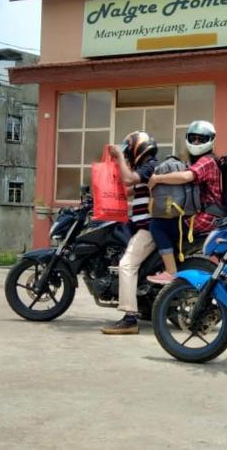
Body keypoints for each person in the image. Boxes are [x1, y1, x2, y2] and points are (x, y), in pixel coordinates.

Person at [145, 120, 222, 285]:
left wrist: (157, 179)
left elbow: (187, 176)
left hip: (207, 216)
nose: (196, 142)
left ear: (210, 140)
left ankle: (171, 271)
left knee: (158, 225)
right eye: (193, 138)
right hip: (206, 213)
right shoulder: (200, 160)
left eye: (201, 139)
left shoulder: (207, 161)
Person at [101, 131, 159, 335]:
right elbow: (127, 191)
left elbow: (127, 180)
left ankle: (130, 318)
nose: (127, 154)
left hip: (148, 229)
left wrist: (118, 156)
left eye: (128, 150)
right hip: (140, 226)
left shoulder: (151, 166)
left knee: (126, 265)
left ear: (138, 147)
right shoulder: (146, 169)